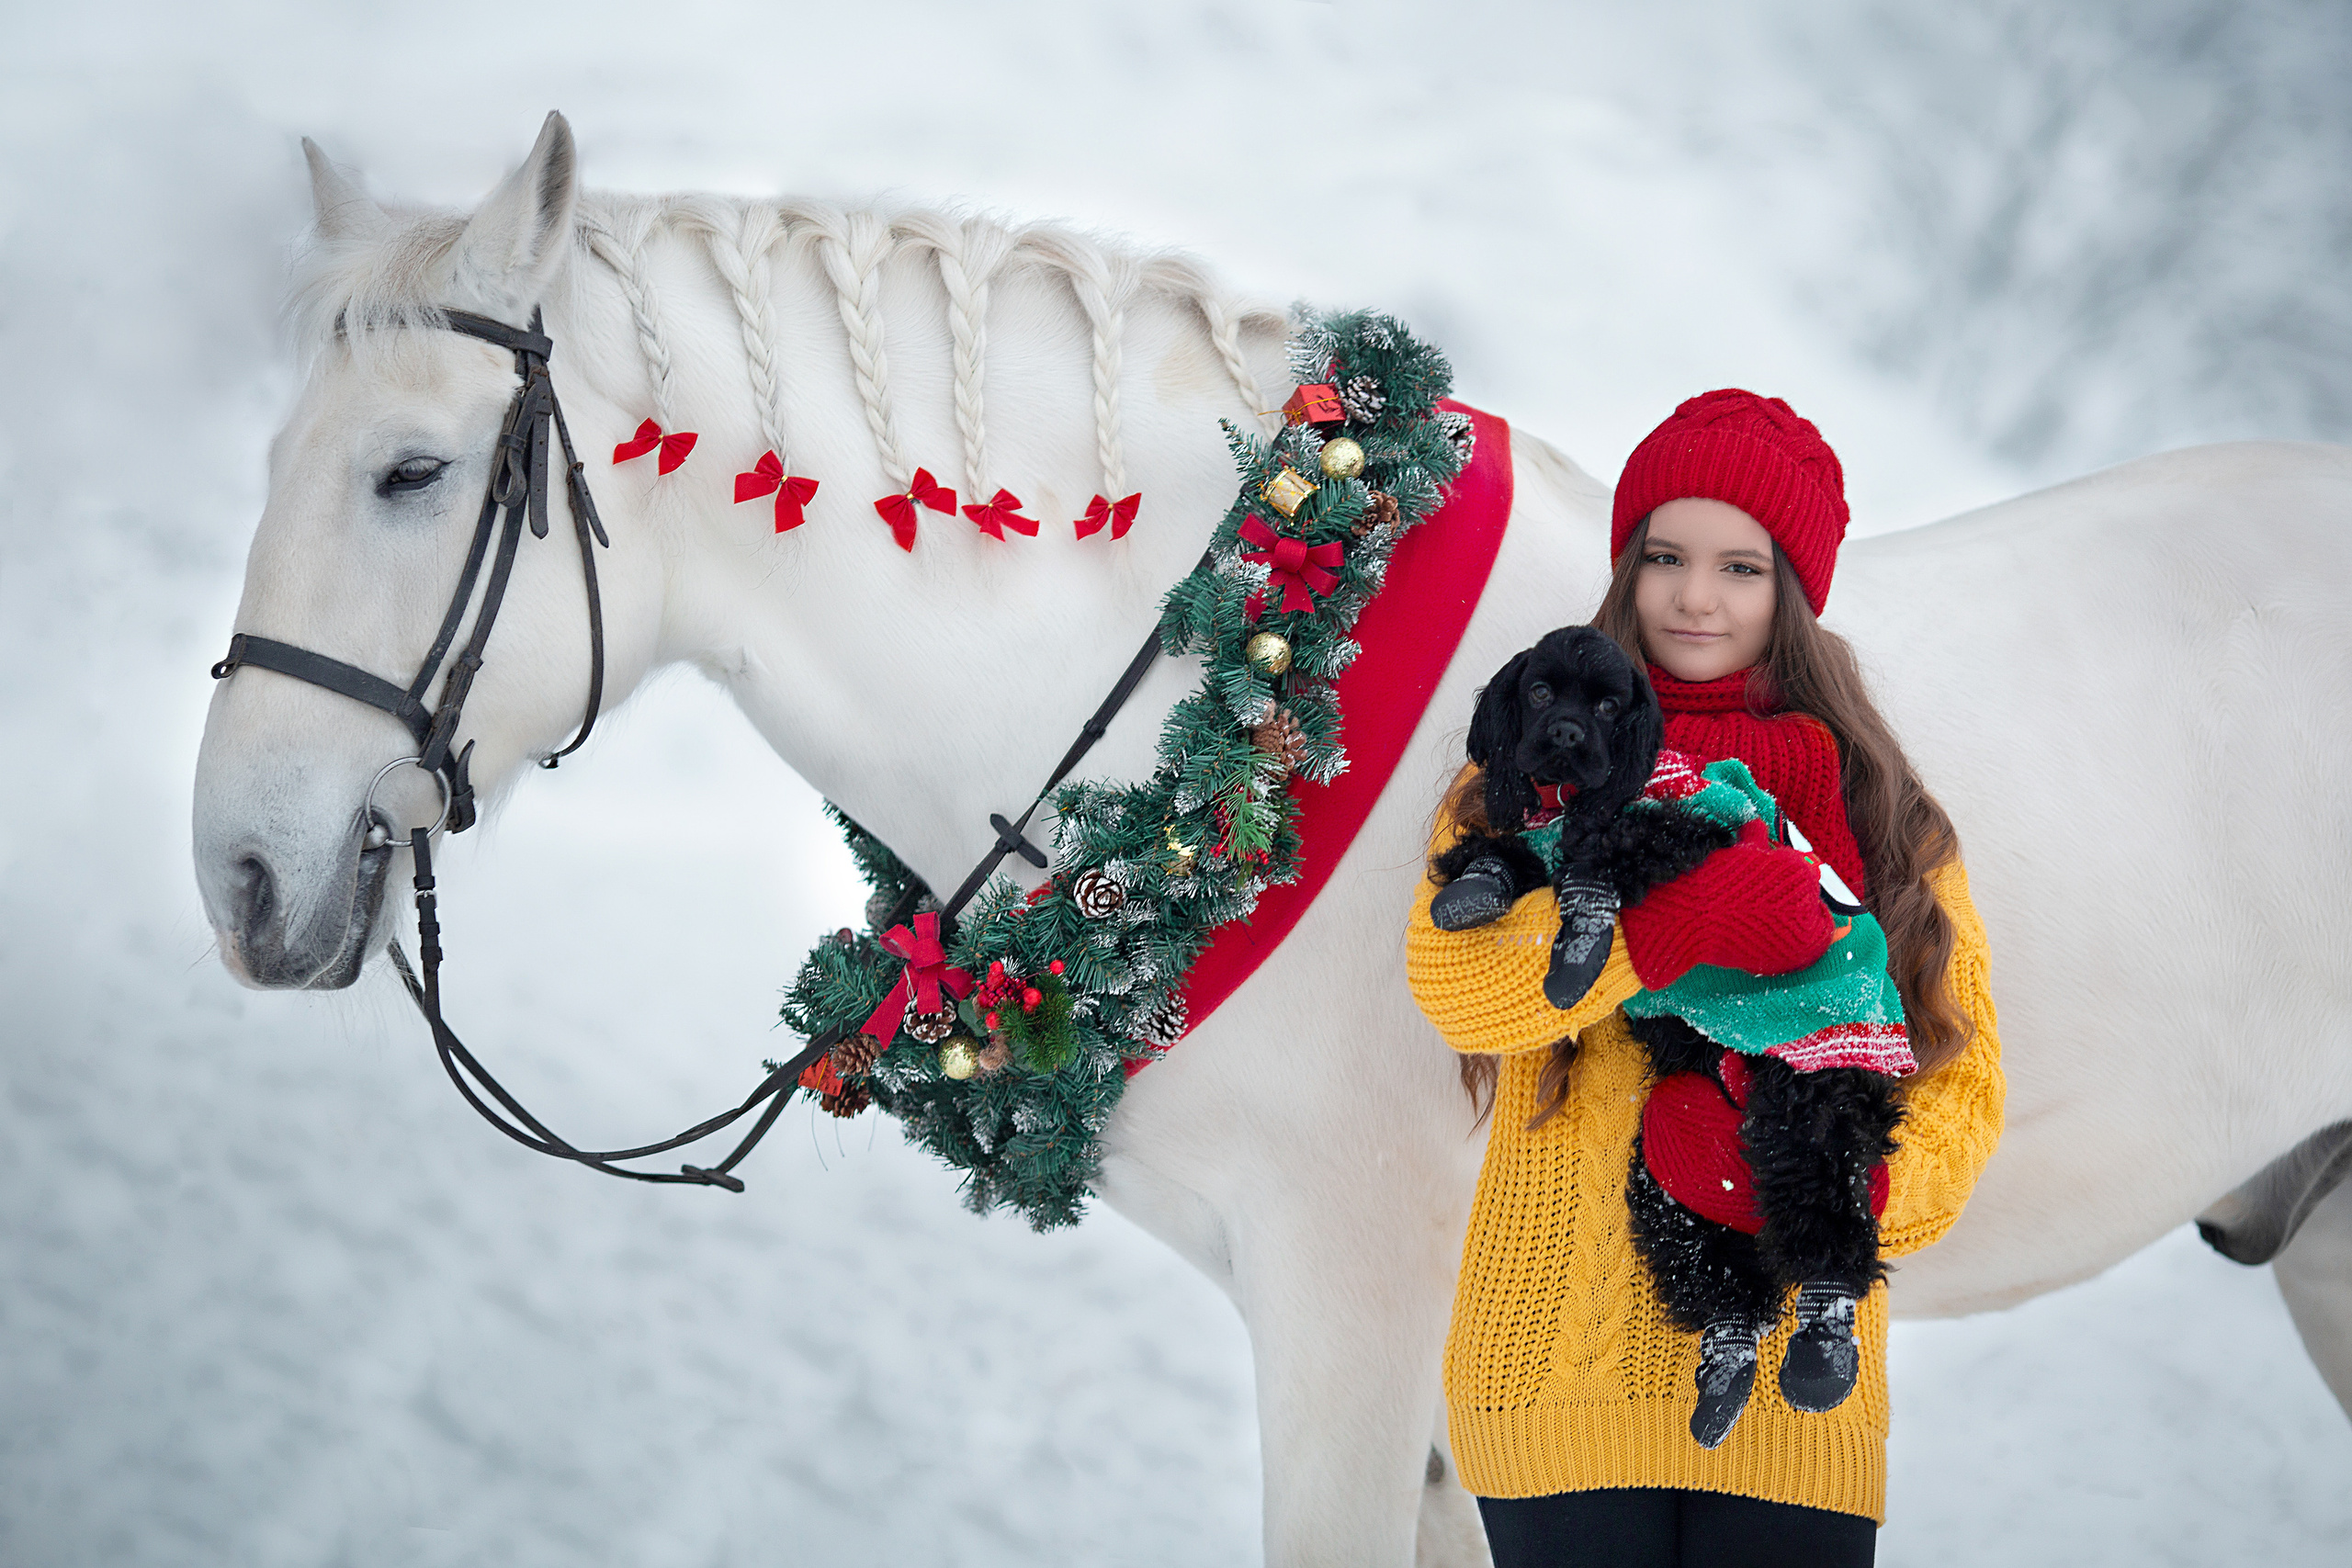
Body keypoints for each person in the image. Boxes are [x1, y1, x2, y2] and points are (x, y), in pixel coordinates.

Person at [1407, 389, 2006, 1566]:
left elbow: (1960, 1082)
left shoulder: (1880, 804)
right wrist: (1674, 928)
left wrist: (1849, 1196)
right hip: (1548, 1364)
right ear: (1627, 568)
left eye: (1741, 566)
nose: (1695, 596)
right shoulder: (1529, 777)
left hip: (1796, 1377)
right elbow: (1461, 987)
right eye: (1666, 557)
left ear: (1791, 590)